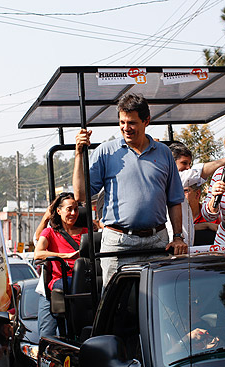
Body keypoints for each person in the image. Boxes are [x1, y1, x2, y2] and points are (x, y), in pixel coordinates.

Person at [73, 93, 188, 286]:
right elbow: (81, 195)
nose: (126, 128)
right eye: (122, 122)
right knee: (115, 304)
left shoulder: (164, 152)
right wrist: (78, 154)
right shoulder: (106, 151)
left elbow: (175, 199)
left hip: (157, 240)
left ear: (146, 121)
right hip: (118, 242)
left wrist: (177, 237)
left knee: (160, 302)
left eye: (132, 123)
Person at [34, 192, 87, 337]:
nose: (73, 213)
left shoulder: (87, 233)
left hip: (83, 282)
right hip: (60, 283)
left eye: (76, 209)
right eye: (69, 209)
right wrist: (64, 256)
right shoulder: (50, 233)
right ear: (59, 211)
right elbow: (38, 253)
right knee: (47, 333)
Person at [166, 142, 225, 246]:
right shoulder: (171, 179)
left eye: (190, 164)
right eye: (184, 163)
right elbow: (201, 171)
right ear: (171, 163)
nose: (188, 168)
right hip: (173, 248)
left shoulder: (178, 186)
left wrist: (206, 226)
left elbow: (185, 226)